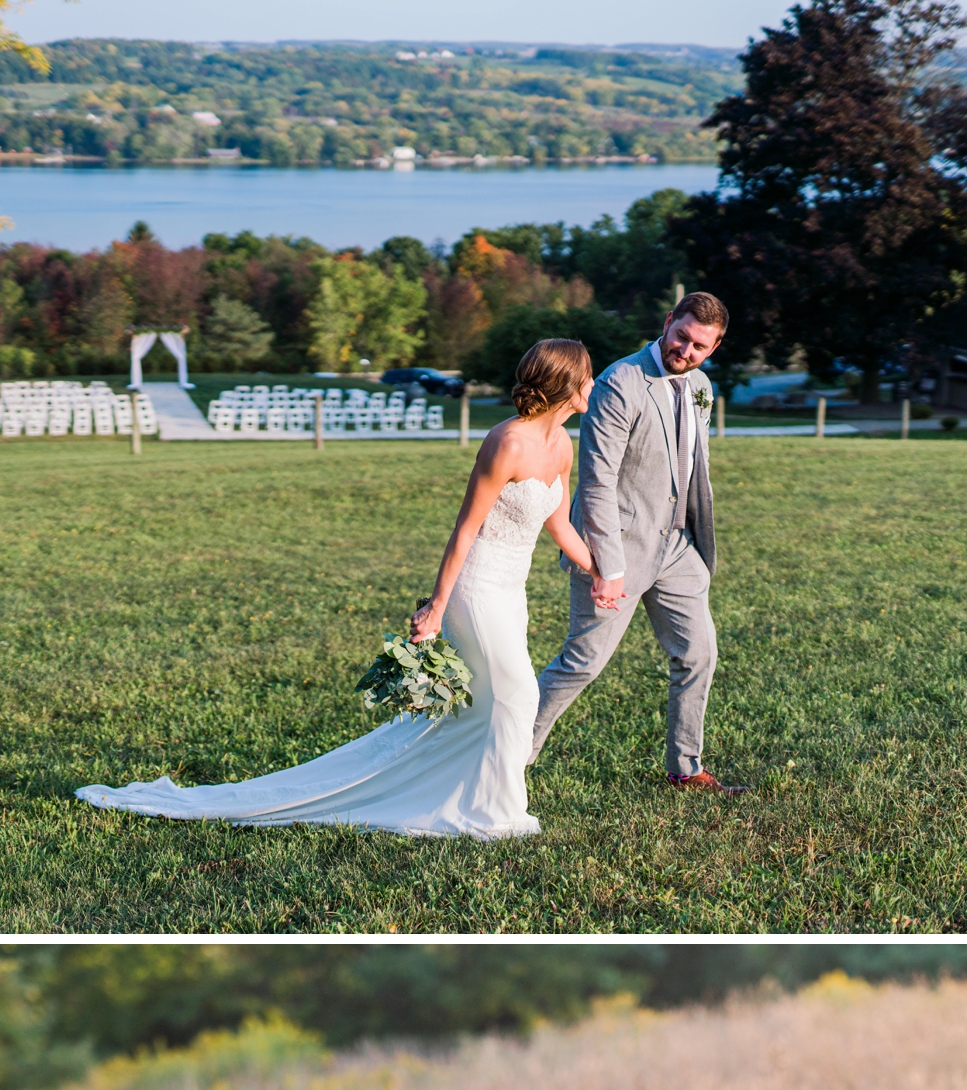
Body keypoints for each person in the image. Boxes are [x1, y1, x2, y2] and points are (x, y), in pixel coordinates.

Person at [75, 340, 604, 838]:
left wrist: (596, 573)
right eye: (588, 376)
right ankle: (497, 812)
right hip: (476, 587)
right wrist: (437, 607)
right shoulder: (506, 442)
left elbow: (558, 524)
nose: (594, 382)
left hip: (514, 593)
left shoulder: (560, 444)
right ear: (566, 384)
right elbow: (465, 529)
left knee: (483, 705)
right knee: (519, 695)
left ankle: (459, 793)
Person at [530, 291, 748, 795]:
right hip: (618, 548)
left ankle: (685, 768)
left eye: (700, 346)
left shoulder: (701, 387)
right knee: (581, 663)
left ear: (714, 348)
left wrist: (695, 538)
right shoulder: (619, 382)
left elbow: (695, 465)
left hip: (678, 547)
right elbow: (597, 481)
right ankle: (511, 758)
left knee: (699, 656)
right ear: (668, 322)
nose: (686, 351)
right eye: (682, 337)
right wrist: (608, 566)